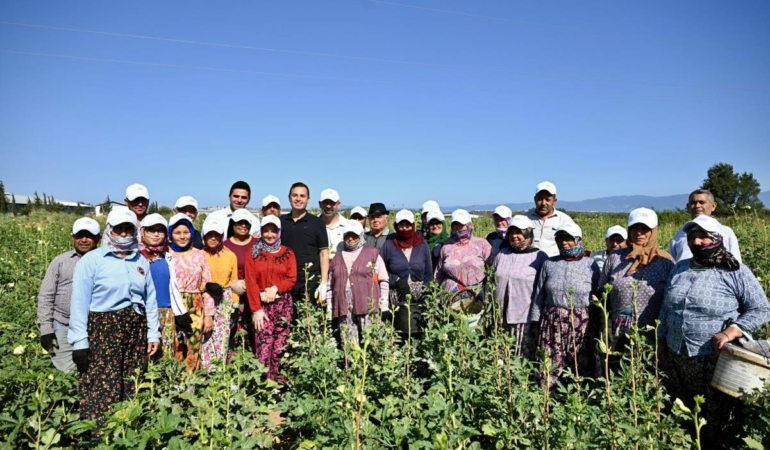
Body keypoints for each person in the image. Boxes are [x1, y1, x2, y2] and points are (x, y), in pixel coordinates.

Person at [659, 214, 770, 446]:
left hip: (716, 359)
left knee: (717, 418)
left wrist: (733, 331)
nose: (697, 242)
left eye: (703, 236)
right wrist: (660, 341)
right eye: (692, 237)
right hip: (677, 356)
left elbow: (761, 309)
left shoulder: (734, 271)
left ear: (718, 239)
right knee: (683, 413)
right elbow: (666, 307)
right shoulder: (680, 268)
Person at [67, 209, 160, 433]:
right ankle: (98, 435)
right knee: (101, 382)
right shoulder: (93, 260)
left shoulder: (140, 260)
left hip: (135, 326)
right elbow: (79, 301)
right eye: (119, 229)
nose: (124, 233)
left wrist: (153, 333)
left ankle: (127, 432)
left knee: (132, 379)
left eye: (129, 229)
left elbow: (150, 299)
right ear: (110, 230)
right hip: (103, 328)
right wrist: (80, 341)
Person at [597, 208, 675, 373]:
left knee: (649, 374)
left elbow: (672, 300)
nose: (639, 233)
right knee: (616, 374)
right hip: (618, 332)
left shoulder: (665, 262)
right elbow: (601, 293)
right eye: (635, 228)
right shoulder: (615, 259)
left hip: (652, 335)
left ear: (653, 232)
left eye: (644, 228)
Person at [529, 223, 598, 386]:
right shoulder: (549, 264)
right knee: (550, 363)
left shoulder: (590, 264)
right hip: (552, 322)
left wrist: (597, 324)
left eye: (568, 239)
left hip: (580, 323)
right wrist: (535, 321)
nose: (564, 243)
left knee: (578, 362)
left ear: (578, 240)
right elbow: (539, 294)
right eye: (560, 238)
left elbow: (597, 295)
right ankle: (549, 400)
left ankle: (577, 399)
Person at [37, 217, 101, 373]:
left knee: (95, 370)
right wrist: (46, 329)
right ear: (73, 237)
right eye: (80, 236)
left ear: (98, 239)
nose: (84, 240)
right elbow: (46, 296)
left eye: (90, 236)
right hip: (64, 325)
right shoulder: (60, 262)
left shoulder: (105, 262)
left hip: (95, 328)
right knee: (67, 372)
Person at [245, 215, 297, 381]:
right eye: (266, 231)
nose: (269, 235)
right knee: (264, 347)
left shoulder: (288, 253)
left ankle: (278, 386)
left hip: (283, 305)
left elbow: (292, 278)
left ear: (279, 232)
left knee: (280, 347)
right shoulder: (253, 253)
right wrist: (256, 310)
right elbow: (251, 282)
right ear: (261, 232)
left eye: (273, 231)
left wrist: (276, 288)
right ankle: (263, 386)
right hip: (262, 307)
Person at [327, 221, 390, 349]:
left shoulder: (373, 254)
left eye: (354, 235)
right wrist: (330, 308)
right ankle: (352, 368)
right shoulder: (337, 257)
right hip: (343, 305)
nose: (350, 239)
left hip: (368, 304)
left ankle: (375, 366)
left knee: (373, 340)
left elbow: (383, 280)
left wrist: (384, 304)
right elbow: (330, 285)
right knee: (349, 343)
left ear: (361, 235)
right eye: (347, 235)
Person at [493, 215, 548, 357]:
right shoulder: (502, 255)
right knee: (500, 355)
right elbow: (491, 281)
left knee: (521, 358)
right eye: (512, 232)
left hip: (524, 318)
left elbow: (543, 289)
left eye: (519, 232)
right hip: (500, 317)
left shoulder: (540, 257)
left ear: (529, 234)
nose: (515, 236)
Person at [167, 213, 215, 372]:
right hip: (172, 303)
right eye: (177, 233)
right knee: (174, 344)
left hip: (195, 305)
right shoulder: (166, 254)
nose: (182, 237)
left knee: (193, 345)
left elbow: (206, 286)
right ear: (170, 234)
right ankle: (173, 386)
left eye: (186, 232)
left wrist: (209, 315)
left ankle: (190, 386)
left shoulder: (199, 255)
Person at [380, 209, 433, 339]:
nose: (404, 228)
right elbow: (380, 269)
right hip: (397, 294)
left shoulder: (422, 244)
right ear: (395, 226)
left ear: (413, 225)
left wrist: (426, 290)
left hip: (419, 296)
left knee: (419, 331)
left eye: (408, 225)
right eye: (401, 225)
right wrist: (396, 280)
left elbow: (428, 272)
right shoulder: (388, 245)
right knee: (400, 333)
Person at [200, 216, 239, 368]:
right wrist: (206, 286)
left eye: (217, 235)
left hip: (224, 298)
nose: (213, 238)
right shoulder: (198, 254)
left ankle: (219, 371)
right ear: (204, 236)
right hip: (204, 297)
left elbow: (234, 282)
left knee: (221, 336)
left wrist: (235, 305)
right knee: (205, 334)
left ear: (222, 236)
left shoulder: (230, 255)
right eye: (209, 235)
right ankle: (204, 370)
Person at [281, 182, 329, 305]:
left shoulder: (317, 223)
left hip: (309, 282)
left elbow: (324, 254)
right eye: (295, 195)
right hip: (284, 281)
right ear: (289, 197)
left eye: (302, 196)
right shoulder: (280, 223)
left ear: (308, 199)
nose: (298, 199)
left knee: (309, 321)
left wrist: (324, 283)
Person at [669, 189, 742, 263]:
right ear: (688, 207)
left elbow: (736, 263)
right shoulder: (680, 235)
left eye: (702, 202)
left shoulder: (726, 232)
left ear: (713, 206)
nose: (697, 206)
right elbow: (672, 265)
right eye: (693, 203)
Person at [139, 213, 175, 358]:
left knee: (167, 354)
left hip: (167, 312)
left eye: (160, 230)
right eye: (150, 230)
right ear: (142, 232)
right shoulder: (137, 256)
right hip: (145, 312)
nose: (155, 234)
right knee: (146, 352)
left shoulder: (170, 254)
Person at [435, 209, 493, 295]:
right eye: (455, 225)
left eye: (461, 225)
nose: (458, 228)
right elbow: (439, 273)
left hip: (477, 295)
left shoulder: (482, 244)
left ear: (469, 225)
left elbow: (492, 270)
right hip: (449, 296)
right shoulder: (446, 246)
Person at [223, 208, 258, 349]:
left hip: (254, 294)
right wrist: (232, 283)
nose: (243, 226)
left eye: (246, 223)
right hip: (232, 295)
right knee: (233, 331)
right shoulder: (224, 246)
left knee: (253, 331)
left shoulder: (258, 244)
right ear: (232, 224)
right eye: (239, 222)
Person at [526, 181, 575, 257]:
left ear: (554, 201)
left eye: (547, 199)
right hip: (529, 263)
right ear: (535, 199)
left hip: (553, 264)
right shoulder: (525, 219)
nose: (543, 203)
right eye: (540, 199)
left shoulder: (564, 220)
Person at [319, 188, 348, 261]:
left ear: (338, 204)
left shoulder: (347, 226)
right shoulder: (313, 225)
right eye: (325, 202)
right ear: (320, 204)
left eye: (332, 203)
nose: (328, 206)